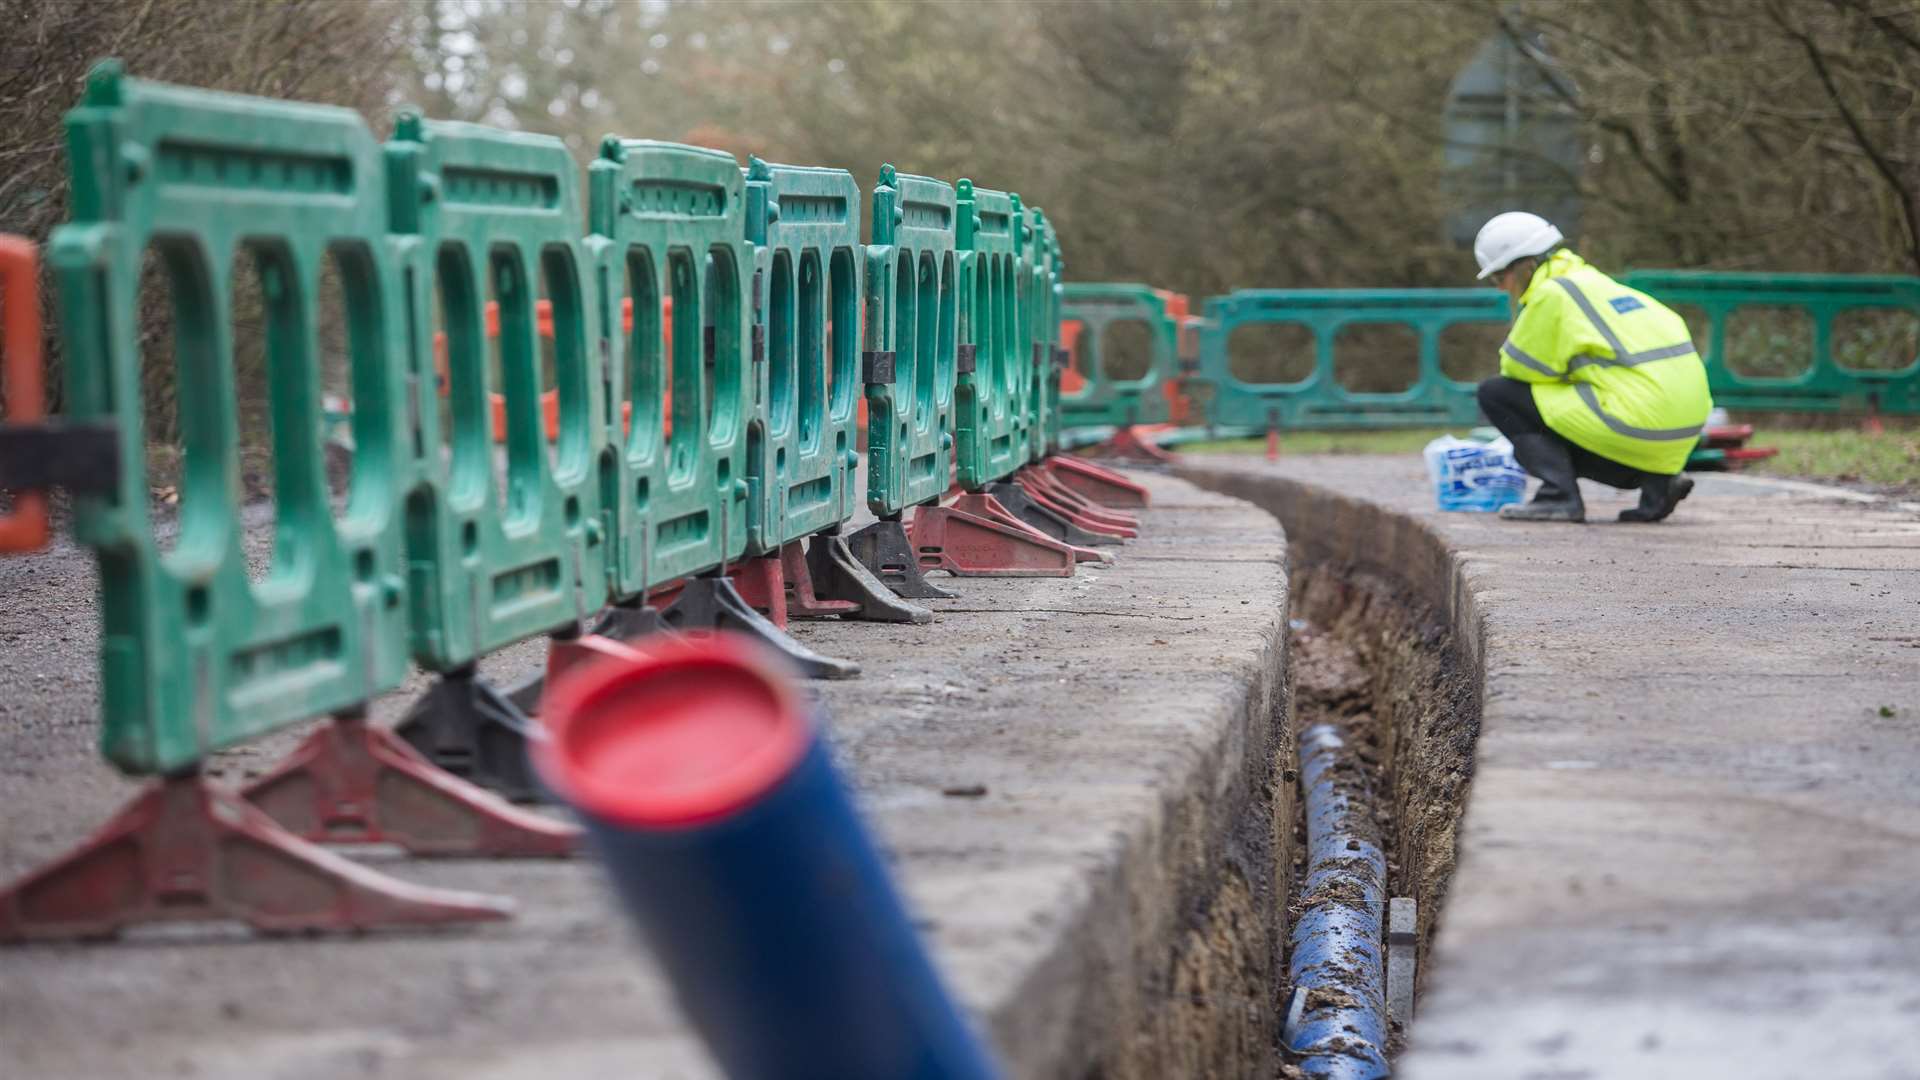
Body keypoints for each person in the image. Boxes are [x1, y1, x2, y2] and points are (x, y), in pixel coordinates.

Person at [1471, 212, 1712, 523]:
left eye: (1498, 277)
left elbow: (1517, 370)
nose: (1501, 288)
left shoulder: (1552, 293)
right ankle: (1660, 485)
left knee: (1497, 394)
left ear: (1524, 266)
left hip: (1637, 427)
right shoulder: (1597, 283)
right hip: (1682, 438)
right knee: (1592, 397)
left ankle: (1558, 496)